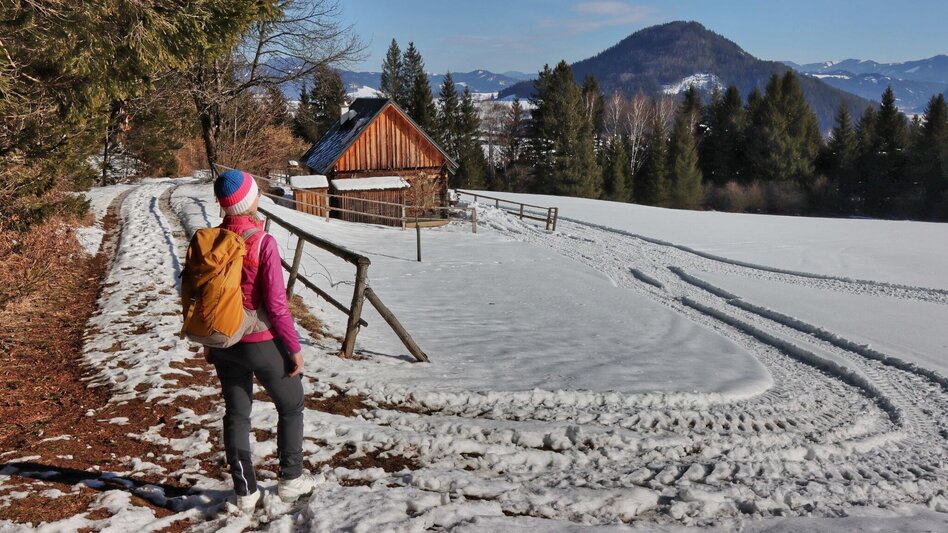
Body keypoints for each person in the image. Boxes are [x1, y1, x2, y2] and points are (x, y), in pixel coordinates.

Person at [206, 169, 314, 513]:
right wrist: (293, 349)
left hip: (223, 341)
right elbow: (278, 305)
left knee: (237, 414)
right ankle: (291, 480)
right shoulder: (261, 241)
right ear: (249, 201)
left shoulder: (212, 240)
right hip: (258, 341)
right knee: (292, 402)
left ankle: (245, 491)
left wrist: (210, 343)